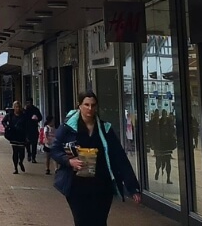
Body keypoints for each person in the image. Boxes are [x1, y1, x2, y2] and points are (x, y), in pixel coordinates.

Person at [51, 92, 141, 226]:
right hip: (77, 185)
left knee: (99, 222)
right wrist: (69, 161)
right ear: (79, 106)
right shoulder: (67, 128)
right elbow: (55, 149)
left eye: (93, 105)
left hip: (101, 185)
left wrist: (132, 187)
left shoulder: (105, 129)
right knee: (82, 221)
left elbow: (120, 157)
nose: (89, 108)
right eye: (86, 105)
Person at [3, 102, 28, 174]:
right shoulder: (10, 115)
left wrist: (27, 135)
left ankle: (21, 162)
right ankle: (15, 168)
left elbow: (26, 125)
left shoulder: (23, 115)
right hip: (13, 136)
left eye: (18, 107)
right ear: (14, 107)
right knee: (15, 152)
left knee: (22, 153)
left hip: (22, 136)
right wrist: (6, 127)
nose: (17, 108)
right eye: (16, 107)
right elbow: (3, 121)